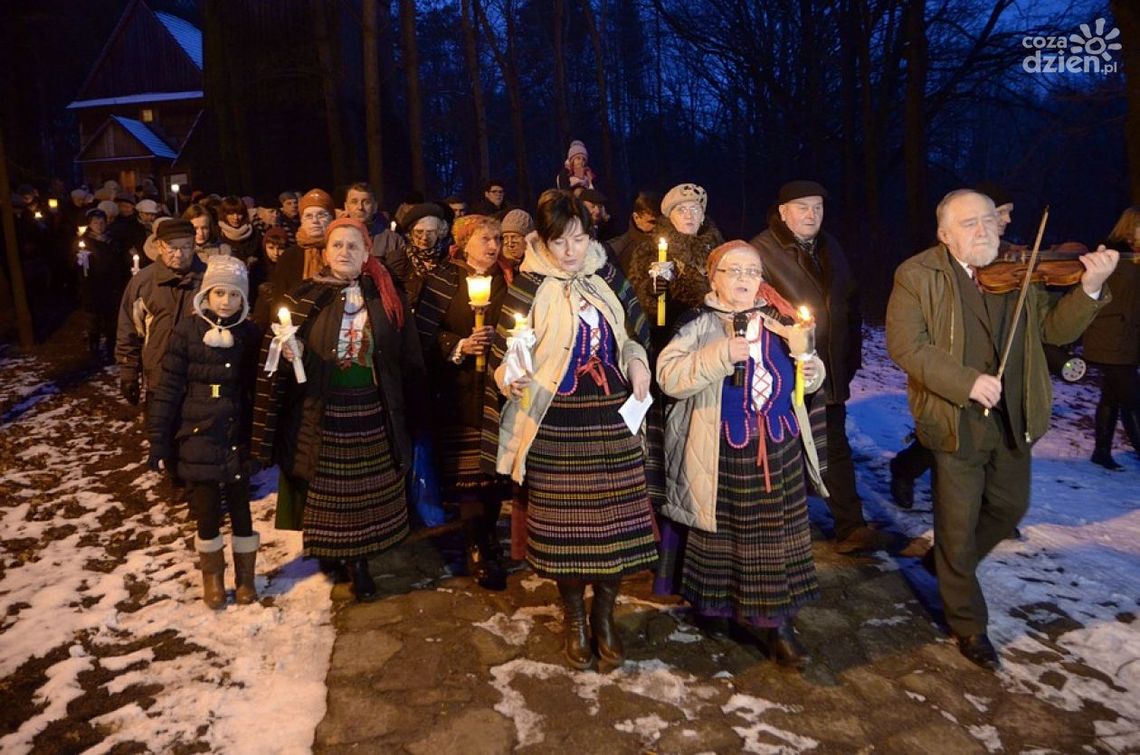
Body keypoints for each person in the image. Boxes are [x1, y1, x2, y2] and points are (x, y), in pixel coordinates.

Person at [886, 189, 1117, 669]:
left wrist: (1090, 289)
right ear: (945, 235)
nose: (983, 230)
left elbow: (1055, 330)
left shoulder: (1017, 271)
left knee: (1011, 504)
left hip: (1015, 413)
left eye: (989, 220)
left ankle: (949, 564)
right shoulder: (916, 275)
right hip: (955, 419)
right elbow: (908, 347)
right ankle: (968, 625)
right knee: (956, 523)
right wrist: (966, 381)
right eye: (969, 223)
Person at [492, 190, 657, 671]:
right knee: (568, 534)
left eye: (579, 239)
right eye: (560, 241)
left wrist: (637, 362)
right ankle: (575, 619)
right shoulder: (530, 287)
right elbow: (507, 358)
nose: (571, 251)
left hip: (610, 417)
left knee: (614, 530)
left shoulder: (606, 278)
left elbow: (629, 335)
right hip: (557, 422)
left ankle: (604, 616)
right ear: (544, 242)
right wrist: (511, 375)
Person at [656, 240, 827, 668]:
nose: (745, 280)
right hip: (722, 449)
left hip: (779, 445)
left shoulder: (780, 320)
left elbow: (810, 372)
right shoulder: (698, 322)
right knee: (726, 540)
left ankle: (778, 624)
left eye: (752, 271)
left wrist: (812, 368)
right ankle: (716, 607)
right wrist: (719, 355)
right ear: (714, 278)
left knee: (773, 543)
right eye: (733, 271)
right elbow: (668, 377)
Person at [252, 217, 425, 602]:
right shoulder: (305, 296)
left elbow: (408, 356)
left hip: (373, 406)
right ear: (325, 253)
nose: (344, 252)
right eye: (337, 246)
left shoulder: (386, 296)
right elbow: (275, 358)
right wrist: (287, 352)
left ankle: (360, 559)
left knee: (365, 490)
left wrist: (413, 409)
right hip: (323, 409)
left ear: (367, 254)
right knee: (331, 492)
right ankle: (337, 552)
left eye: (352, 246)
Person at [750, 180, 877, 555]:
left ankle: (850, 526)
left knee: (835, 445)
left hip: (831, 367)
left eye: (817, 208)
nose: (811, 215)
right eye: (802, 207)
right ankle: (779, 530)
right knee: (783, 450)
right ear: (783, 211)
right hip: (785, 371)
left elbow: (849, 305)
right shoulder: (762, 251)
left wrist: (850, 357)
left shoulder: (830, 246)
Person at [890, 182, 1016, 508]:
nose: (1006, 222)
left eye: (997, 218)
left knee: (991, 439)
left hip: (993, 380)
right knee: (939, 442)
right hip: (948, 376)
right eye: (1002, 214)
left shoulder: (1009, 263)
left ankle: (987, 510)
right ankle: (905, 469)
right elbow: (909, 344)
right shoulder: (927, 271)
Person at [147, 256, 261, 608]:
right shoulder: (186, 332)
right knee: (207, 508)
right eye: (219, 293)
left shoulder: (249, 334)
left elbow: (260, 385)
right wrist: (159, 439)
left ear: (244, 300)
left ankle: (246, 578)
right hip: (197, 432)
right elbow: (168, 387)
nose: (226, 302)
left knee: (242, 507)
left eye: (234, 295)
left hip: (235, 431)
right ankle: (213, 576)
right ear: (207, 295)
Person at [416, 215, 513, 590]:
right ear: (464, 242)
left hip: (496, 388)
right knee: (469, 474)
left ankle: (489, 536)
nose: (493, 246)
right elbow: (425, 332)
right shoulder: (443, 279)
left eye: (497, 239)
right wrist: (458, 345)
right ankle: (476, 547)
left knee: (491, 473)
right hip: (457, 390)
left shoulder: (508, 280)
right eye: (485, 239)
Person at [116, 219, 206, 408]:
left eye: (186, 247)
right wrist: (129, 372)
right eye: (172, 248)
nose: (180, 255)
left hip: (199, 378)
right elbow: (129, 328)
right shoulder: (144, 282)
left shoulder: (208, 279)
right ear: (159, 246)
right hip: (159, 376)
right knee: (160, 433)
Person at [627, 183, 724, 346]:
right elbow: (638, 305)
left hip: (716, 336)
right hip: (674, 339)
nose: (689, 216)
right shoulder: (649, 252)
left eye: (694, 209)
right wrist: (652, 291)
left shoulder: (719, 250)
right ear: (669, 217)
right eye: (681, 210)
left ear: (702, 217)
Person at [1083, 206, 1140, 468]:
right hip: (1110, 334)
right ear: (1132, 226)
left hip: (1127, 338)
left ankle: (1101, 451)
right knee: (1133, 398)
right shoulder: (1110, 253)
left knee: (1112, 395)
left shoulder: (1135, 256)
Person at [77, 208, 130, 362]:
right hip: (93, 287)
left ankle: (111, 349)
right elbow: (77, 267)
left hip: (111, 286)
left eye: (102, 222)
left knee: (111, 321)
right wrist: (80, 259)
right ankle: (93, 350)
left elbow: (120, 262)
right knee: (93, 321)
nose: (99, 225)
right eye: (95, 222)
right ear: (89, 224)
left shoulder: (112, 241)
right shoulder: (84, 242)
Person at [343, 182, 409, 282]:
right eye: (354, 202)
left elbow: (400, 279)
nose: (360, 207)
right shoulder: (336, 238)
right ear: (346, 207)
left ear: (375, 207)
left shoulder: (392, 240)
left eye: (366, 202)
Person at [400, 202, 451, 306]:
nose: (424, 237)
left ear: (439, 232)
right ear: (410, 232)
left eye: (430, 232)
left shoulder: (449, 259)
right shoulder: (397, 259)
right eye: (419, 231)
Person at [609, 191, 661, 274]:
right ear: (636, 217)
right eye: (651, 222)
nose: (656, 226)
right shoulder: (619, 249)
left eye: (659, 222)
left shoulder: (667, 243)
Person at [218, 195, 261, 266]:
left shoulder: (254, 232)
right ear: (224, 214)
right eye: (231, 213)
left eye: (239, 213)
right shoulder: (217, 233)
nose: (236, 218)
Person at [500, 209, 533, 274]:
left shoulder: (538, 267)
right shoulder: (500, 266)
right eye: (506, 238)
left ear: (528, 238)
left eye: (514, 237)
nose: (510, 244)